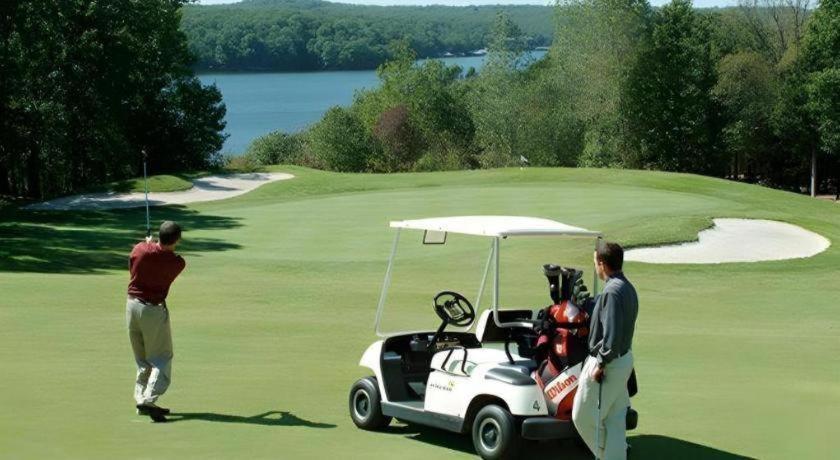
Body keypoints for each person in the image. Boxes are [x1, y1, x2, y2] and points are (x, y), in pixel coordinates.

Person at [572, 242, 638, 460]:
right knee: (615, 419)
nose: (595, 268)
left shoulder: (611, 292)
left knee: (581, 416)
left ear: (602, 263)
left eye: (595, 263)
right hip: (625, 360)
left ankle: (606, 455)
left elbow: (610, 335)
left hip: (608, 364)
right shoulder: (627, 287)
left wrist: (601, 364)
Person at [126, 221, 186, 423]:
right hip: (152, 311)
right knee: (162, 357)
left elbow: (134, 267)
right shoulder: (178, 263)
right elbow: (163, 258)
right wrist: (152, 247)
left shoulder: (140, 248)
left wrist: (148, 245)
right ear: (177, 240)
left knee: (142, 360)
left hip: (131, 307)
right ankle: (149, 400)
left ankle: (140, 399)